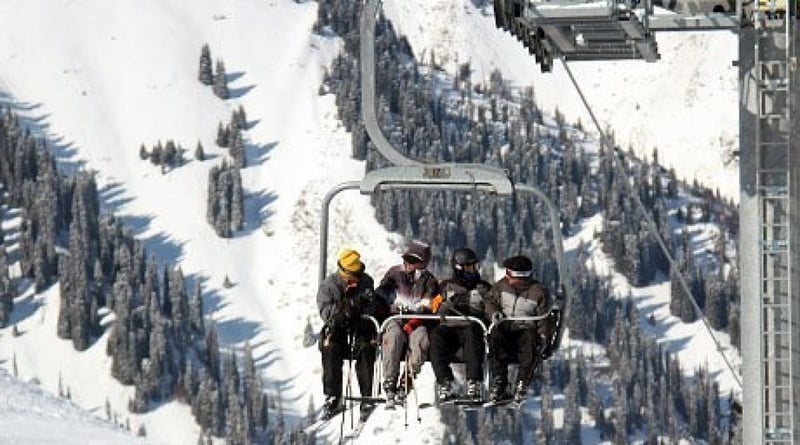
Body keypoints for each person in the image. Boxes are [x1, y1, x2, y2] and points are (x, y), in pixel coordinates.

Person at [317, 249, 386, 420]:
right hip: (338, 326)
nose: (356, 278)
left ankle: (366, 396)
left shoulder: (366, 281)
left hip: (361, 324)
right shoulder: (329, 286)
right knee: (331, 348)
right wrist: (351, 306)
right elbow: (326, 313)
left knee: (366, 348)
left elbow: (371, 306)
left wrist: (360, 310)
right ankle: (333, 396)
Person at [375, 240, 439, 407]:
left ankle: (407, 380)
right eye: (406, 260)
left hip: (417, 321)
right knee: (394, 337)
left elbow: (428, 307)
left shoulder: (429, 281)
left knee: (421, 341)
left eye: (413, 261)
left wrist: (414, 321)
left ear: (422, 264)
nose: (408, 264)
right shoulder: (394, 274)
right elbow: (381, 297)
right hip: (395, 317)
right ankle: (390, 380)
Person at [485, 255, 555, 403]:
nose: (507, 277)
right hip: (505, 329)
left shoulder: (539, 292)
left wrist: (543, 336)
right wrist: (494, 314)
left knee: (530, 341)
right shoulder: (501, 287)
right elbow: (490, 303)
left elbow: (545, 318)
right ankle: (499, 382)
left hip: (525, 330)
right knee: (495, 337)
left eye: (509, 274)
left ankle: (522, 383)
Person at [428, 247, 491, 402]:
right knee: (436, 336)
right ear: (459, 268)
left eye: (474, 267)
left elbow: (492, 307)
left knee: (471, 332)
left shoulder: (483, 287)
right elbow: (434, 306)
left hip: (472, 327)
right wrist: (443, 305)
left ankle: (474, 382)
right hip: (449, 327)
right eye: (469, 267)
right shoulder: (446, 286)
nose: (473, 271)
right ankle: (445, 382)